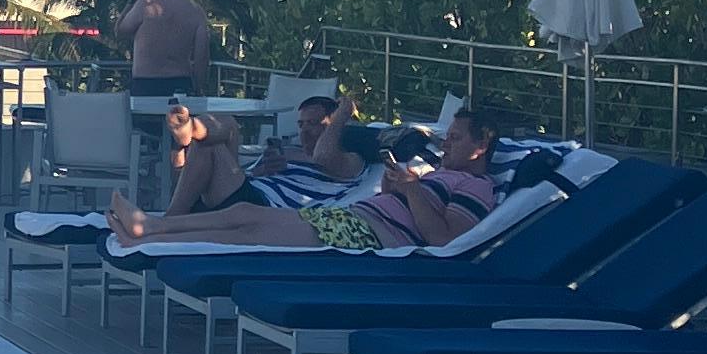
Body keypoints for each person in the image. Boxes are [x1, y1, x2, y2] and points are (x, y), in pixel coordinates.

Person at [110, 107, 504, 251]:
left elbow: (445, 239)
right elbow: (406, 206)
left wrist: (414, 189)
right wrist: (396, 186)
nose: (446, 144)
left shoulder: (476, 188)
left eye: (455, 138)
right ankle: (151, 230)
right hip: (355, 218)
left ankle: (151, 233)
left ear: (482, 144)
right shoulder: (443, 174)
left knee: (249, 230)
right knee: (246, 213)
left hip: (368, 236)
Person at [117, 0, 215, 97]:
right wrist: (199, 89)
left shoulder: (144, 6)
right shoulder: (195, 11)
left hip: (145, 85)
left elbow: (119, 31)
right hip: (181, 85)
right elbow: (202, 58)